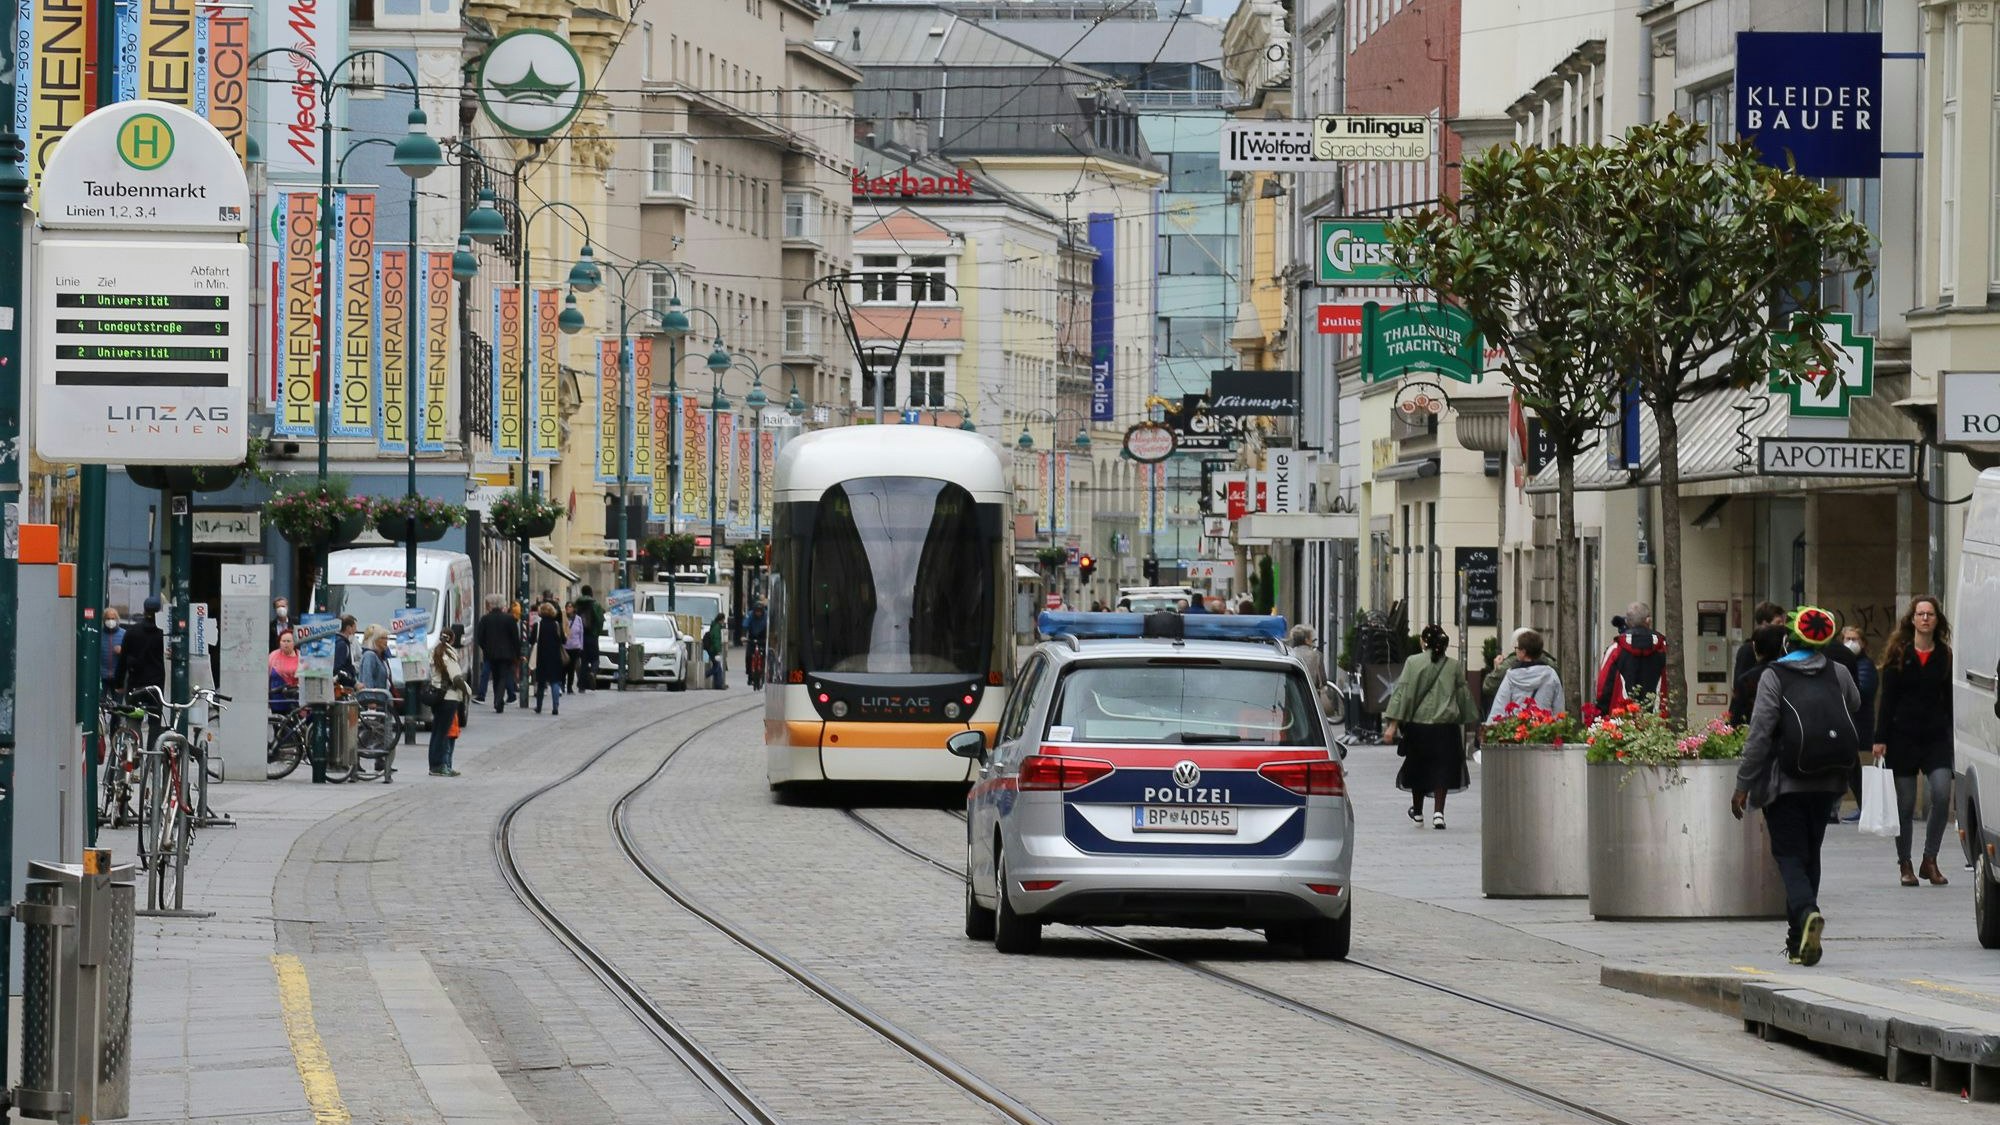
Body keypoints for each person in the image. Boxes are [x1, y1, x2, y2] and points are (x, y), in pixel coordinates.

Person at [1732, 606, 1859, 967]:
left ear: (1790, 638)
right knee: (1810, 853)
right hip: (1828, 780)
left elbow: (1759, 735)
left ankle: (1806, 914)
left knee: (1788, 856)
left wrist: (1743, 784)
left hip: (1784, 781)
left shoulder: (1775, 675)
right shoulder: (1838, 671)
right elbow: (1854, 705)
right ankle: (1798, 943)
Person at [1872, 595, 1955, 887]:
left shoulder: (1945, 655)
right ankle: (1904, 863)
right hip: (1902, 737)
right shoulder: (1899, 653)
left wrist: (1953, 736)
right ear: (1912, 619)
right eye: (1920, 614)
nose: (1925, 619)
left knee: (1942, 794)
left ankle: (1929, 859)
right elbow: (1888, 699)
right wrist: (1880, 738)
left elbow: (1950, 700)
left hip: (1935, 738)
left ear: (1936, 620)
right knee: (1905, 805)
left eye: (1930, 614)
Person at [1382, 624, 1480, 830]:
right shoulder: (1454, 666)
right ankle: (1438, 813)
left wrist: (1392, 725)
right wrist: (1469, 718)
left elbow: (1403, 694)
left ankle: (1418, 813)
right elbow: (1463, 696)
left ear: (1424, 642)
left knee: (1418, 769)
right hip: (1446, 728)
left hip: (1419, 728)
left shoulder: (1413, 662)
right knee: (1443, 769)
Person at [1831, 625, 1879, 823]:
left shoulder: (1865, 665)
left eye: (1855, 638)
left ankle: (1858, 807)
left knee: (1851, 767)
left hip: (1858, 723)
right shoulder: (1845, 663)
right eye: (1847, 638)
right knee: (1849, 768)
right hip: (1850, 723)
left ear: (1863, 643)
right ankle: (1856, 806)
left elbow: (1862, 693)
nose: (1851, 643)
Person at [1595, 601, 1670, 715]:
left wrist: (1602, 713)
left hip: (1622, 720)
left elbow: (1603, 687)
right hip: (1657, 721)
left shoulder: (1615, 650)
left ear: (1627, 621)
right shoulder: (1663, 648)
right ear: (1648, 621)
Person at [1486, 629, 1565, 720]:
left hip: (1518, 729)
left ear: (1523, 652)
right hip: (1543, 729)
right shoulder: (1551, 674)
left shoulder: (1511, 676)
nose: (1516, 651)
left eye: (1517, 649)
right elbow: (1558, 708)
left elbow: (1499, 706)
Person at [427, 626, 469, 777]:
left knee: (437, 732)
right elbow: (456, 677)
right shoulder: (449, 653)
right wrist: (468, 691)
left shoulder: (435, 651)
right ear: (452, 639)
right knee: (443, 732)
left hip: (438, 695)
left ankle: (433, 764)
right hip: (449, 697)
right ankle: (440, 765)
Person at [1728, 624, 1788, 727]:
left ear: (1755, 647)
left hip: (1754, 732)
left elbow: (1735, 717)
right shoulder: (1789, 674)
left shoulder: (1747, 680)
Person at [473, 595, 521, 713]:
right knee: (503, 677)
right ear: (502, 605)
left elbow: (479, 637)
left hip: (490, 653)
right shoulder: (510, 619)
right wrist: (517, 654)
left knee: (496, 677)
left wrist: (486, 647)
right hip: (506, 654)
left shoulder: (485, 619)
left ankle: (497, 699)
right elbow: (515, 638)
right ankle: (498, 700)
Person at [116, 595, 168, 702]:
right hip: (156, 682)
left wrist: (119, 683)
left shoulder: (132, 631)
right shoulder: (163, 634)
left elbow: (123, 658)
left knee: (134, 714)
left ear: (144, 610)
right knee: (155, 714)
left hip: (136, 680)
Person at [1732, 601, 1788, 685]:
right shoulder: (1748, 650)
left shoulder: (1784, 646)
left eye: (1783, 622)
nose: (1782, 626)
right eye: (1778, 622)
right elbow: (1740, 684)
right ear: (1764, 624)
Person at [529, 602, 567, 715]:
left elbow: (531, 640)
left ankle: (539, 706)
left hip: (541, 657)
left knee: (541, 683)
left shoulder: (538, 625)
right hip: (555, 657)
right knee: (555, 682)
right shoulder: (557, 625)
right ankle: (555, 707)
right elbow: (563, 641)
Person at [1288, 624, 1333, 717]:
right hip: (1311, 697)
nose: (1312, 640)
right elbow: (1323, 680)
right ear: (1306, 640)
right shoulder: (1316, 655)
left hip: (1292, 696)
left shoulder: (1289, 654)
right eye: (1311, 638)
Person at [573, 585, 604, 692]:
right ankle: (593, 672)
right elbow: (600, 620)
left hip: (580, 637)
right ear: (591, 593)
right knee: (595, 660)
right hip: (592, 635)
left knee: (584, 661)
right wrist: (597, 632)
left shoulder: (577, 604)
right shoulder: (595, 605)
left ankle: (582, 687)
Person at [266, 628, 300, 714]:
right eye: (283, 641)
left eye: (289, 641)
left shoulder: (301, 656)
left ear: (294, 642)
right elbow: (266, 678)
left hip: (295, 700)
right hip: (276, 700)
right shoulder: (272, 656)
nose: (286, 643)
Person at [99, 607, 126, 699]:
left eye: (113, 618)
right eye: (108, 618)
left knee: (117, 706)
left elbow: (131, 654)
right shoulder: (99, 635)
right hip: (102, 676)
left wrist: (122, 651)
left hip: (118, 677)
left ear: (117, 619)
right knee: (100, 702)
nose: (110, 621)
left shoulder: (124, 634)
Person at [357, 625, 392, 692]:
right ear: (374, 640)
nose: (386, 641)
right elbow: (367, 681)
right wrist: (370, 700)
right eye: (382, 638)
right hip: (373, 700)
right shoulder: (369, 655)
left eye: (386, 638)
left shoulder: (382, 658)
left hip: (382, 699)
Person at [563, 601, 586, 692]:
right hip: (564, 646)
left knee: (571, 668)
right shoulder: (563, 618)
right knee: (563, 668)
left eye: (570, 607)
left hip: (575, 647)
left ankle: (569, 687)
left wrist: (581, 645)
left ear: (573, 609)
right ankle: (562, 683)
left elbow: (581, 633)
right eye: (567, 607)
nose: (568, 608)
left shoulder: (578, 619)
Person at [745, 601, 768, 689]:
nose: (758, 613)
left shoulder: (766, 616)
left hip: (763, 636)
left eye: (760, 611)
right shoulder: (750, 615)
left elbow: (770, 626)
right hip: (752, 636)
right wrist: (743, 636)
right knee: (748, 656)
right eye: (756, 611)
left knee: (766, 655)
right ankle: (749, 674)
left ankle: (764, 671)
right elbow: (745, 625)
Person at [332, 614, 358, 685]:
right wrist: (354, 683)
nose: (356, 630)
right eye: (354, 627)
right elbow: (338, 669)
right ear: (348, 628)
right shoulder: (342, 645)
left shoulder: (336, 641)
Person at [703, 612, 727, 688]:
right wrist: (718, 650)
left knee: (718, 666)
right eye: (723, 620)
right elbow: (716, 639)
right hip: (713, 650)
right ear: (721, 620)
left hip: (711, 649)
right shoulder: (717, 627)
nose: (724, 622)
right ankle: (704, 674)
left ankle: (719, 684)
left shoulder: (715, 626)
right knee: (716, 667)